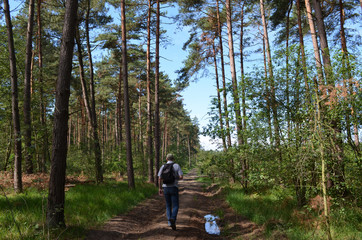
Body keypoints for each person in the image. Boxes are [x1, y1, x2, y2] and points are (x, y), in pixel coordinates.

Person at [158, 153, 183, 230]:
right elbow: (181, 177)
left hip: (165, 188)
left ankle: (169, 222)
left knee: (168, 205)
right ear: (173, 159)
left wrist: (160, 188)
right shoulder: (176, 165)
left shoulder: (163, 166)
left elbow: (159, 178)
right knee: (175, 205)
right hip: (174, 187)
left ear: (166, 159)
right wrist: (175, 179)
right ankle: (173, 219)